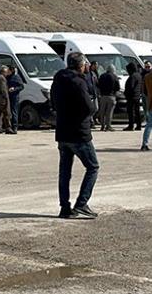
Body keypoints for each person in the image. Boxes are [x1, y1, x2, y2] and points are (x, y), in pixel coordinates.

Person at [51, 52, 99, 219]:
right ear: (82, 65)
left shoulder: (58, 79)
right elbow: (89, 108)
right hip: (79, 132)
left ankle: (65, 207)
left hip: (62, 131)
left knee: (64, 172)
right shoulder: (79, 82)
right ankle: (81, 203)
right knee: (93, 167)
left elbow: (53, 102)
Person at [97, 64, 119, 132]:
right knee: (109, 112)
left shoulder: (102, 76)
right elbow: (117, 87)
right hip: (111, 96)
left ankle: (102, 126)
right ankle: (108, 126)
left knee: (102, 112)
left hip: (103, 96)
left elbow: (98, 85)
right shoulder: (115, 76)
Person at [123, 62, 143, 131]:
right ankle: (138, 125)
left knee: (131, 111)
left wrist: (126, 93)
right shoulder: (139, 75)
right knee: (137, 111)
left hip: (131, 96)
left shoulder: (133, 76)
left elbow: (131, 86)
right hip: (137, 96)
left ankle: (131, 125)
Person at [7, 66, 24, 134]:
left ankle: (15, 127)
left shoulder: (17, 77)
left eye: (9, 71)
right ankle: (9, 127)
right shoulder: (7, 77)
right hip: (8, 96)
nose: (8, 72)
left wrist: (14, 89)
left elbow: (21, 86)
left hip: (14, 96)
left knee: (14, 111)